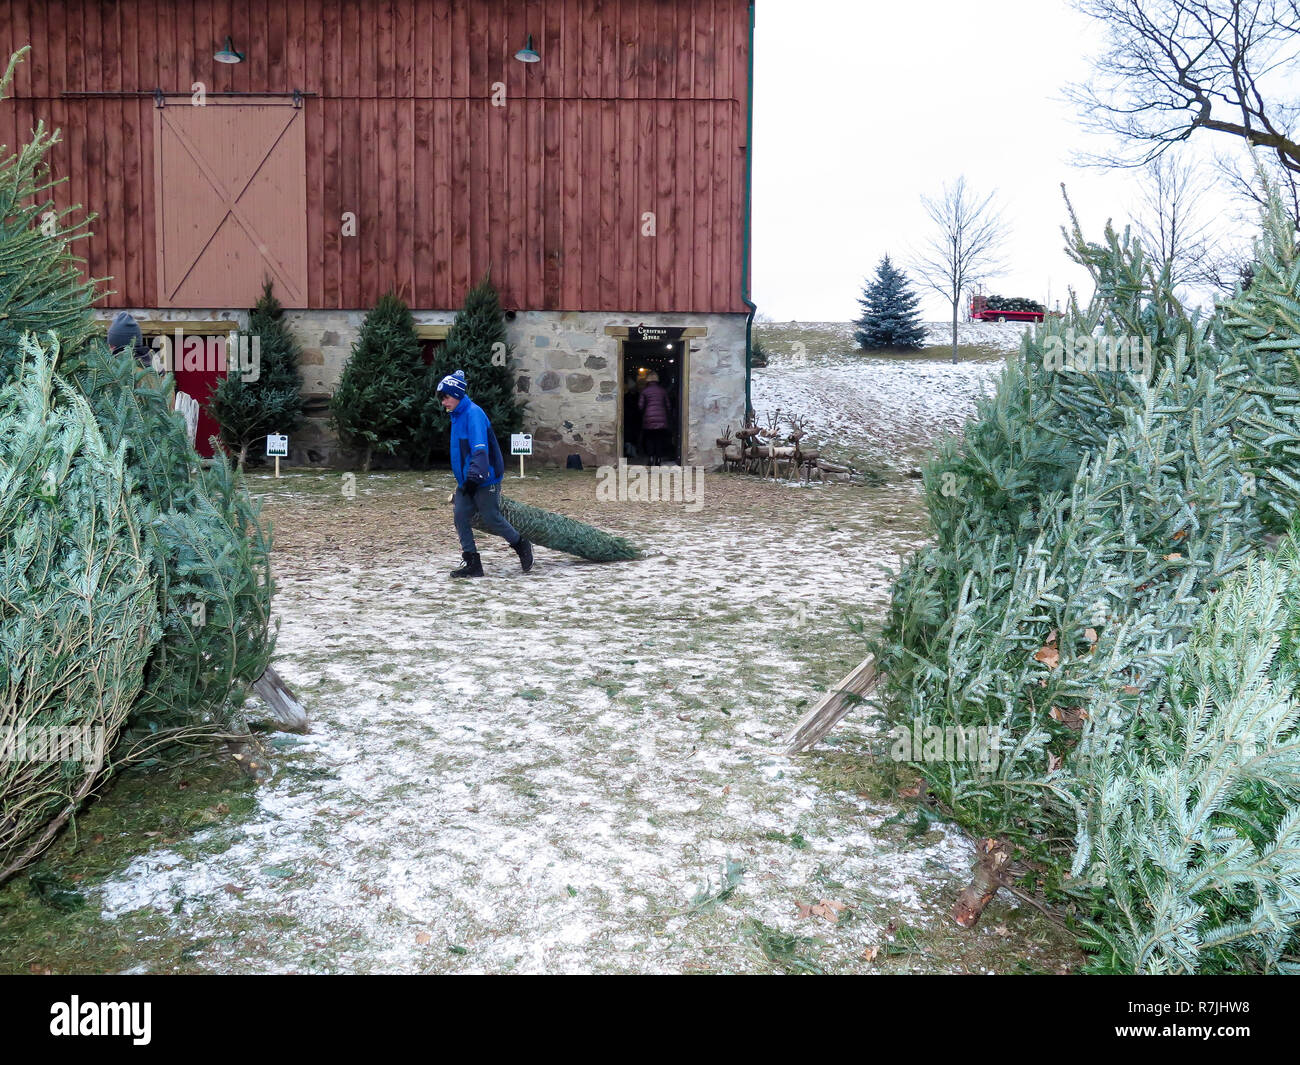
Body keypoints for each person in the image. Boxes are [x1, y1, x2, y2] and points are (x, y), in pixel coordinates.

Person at [437, 369, 533, 577]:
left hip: (484, 477)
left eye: (445, 397)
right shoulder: (456, 415)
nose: (443, 402)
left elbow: (480, 451)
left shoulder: (473, 414)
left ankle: (521, 544)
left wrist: (474, 478)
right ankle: (473, 563)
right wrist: (466, 480)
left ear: (457, 394)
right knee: (460, 516)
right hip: (468, 479)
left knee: (491, 517)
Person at [638, 370, 673, 465]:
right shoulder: (663, 391)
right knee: (659, 440)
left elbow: (640, 406)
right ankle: (658, 460)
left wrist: (646, 413)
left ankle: (650, 458)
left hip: (649, 419)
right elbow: (668, 406)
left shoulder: (644, 391)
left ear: (648, 379)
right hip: (661, 420)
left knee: (649, 440)